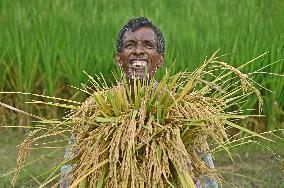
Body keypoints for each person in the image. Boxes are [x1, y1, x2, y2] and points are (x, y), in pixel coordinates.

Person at [60, 17, 218, 188]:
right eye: (130, 45)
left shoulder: (179, 109)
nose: (138, 51)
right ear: (119, 59)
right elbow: (71, 170)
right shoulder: (97, 108)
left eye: (148, 45)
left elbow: (205, 172)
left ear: (160, 60)